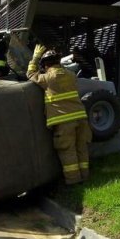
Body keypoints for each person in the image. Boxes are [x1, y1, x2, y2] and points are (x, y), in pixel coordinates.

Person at [28, 45, 91, 185]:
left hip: (64, 122)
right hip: (81, 117)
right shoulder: (71, 75)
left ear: (45, 65)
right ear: (59, 62)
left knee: (68, 151)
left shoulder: (46, 78)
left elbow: (31, 75)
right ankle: (85, 176)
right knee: (81, 147)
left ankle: (74, 180)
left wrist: (35, 58)